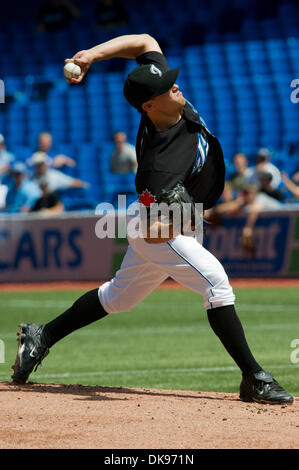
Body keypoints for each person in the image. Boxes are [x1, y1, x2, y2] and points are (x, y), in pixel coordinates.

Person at [11, 34, 293, 405]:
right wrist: (192, 215)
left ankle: (41, 335)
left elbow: (143, 39)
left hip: (176, 219)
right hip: (158, 225)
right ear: (148, 105)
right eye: (166, 86)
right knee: (217, 285)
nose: (175, 85)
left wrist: (91, 55)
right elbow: (154, 229)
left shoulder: (167, 100)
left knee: (119, 297)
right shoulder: (159, 165)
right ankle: (254, 377)